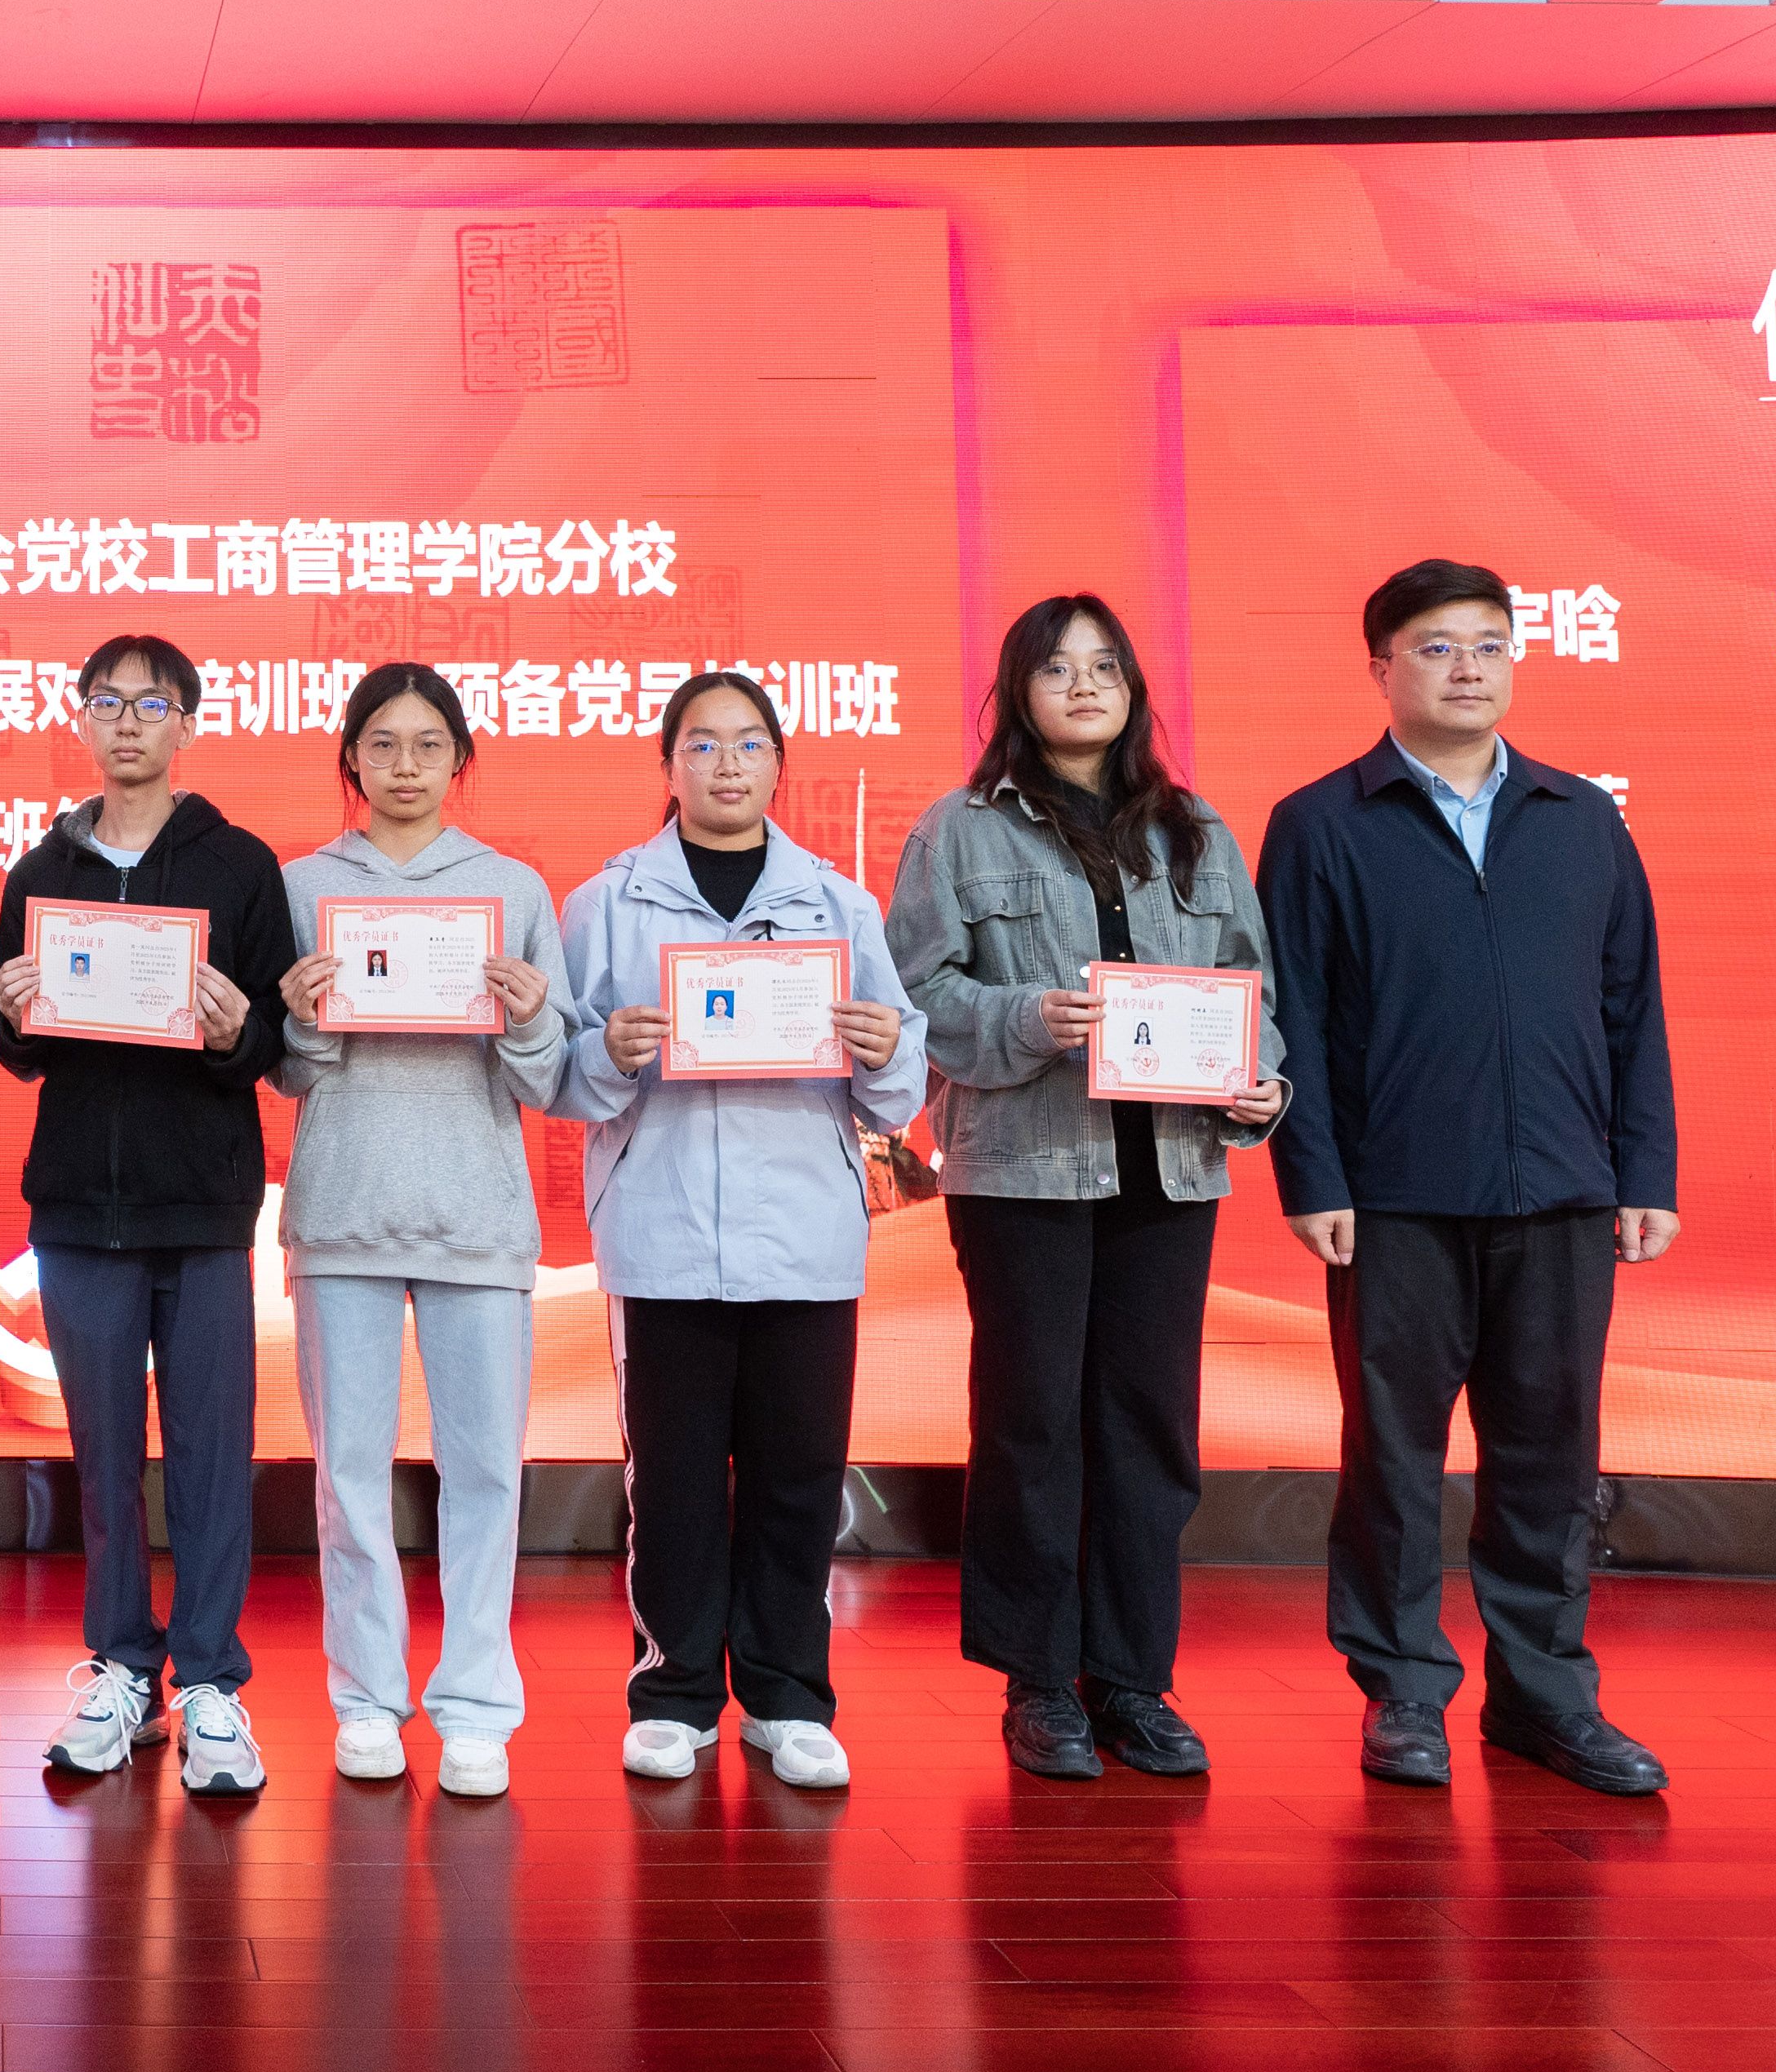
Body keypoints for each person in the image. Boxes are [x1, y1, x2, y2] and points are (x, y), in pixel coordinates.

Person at [1259, 558, 1679, 1799]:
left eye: (1490, 645)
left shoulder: (1581, 818)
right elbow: (1295, 1016)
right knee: (1393, 1459)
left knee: (1550, 1455)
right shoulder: (1322, 823)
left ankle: (1546, 1697)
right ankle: (1402, 1693)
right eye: (1437, 648)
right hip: (1394, 1200)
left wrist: (1644, 1171)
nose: (1468, 669)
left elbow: (1631, 1009)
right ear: (1381, 667)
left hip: (1563, 1193)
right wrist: (1312, 1176)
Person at [886, 597, 1287, 1786]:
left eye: (1105, 665)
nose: (1084, 685)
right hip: (1024, 1172)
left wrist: (1262, 1085)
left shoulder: (1197, 832)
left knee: (1149, 1425)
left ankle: (1131, 1680)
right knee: (1033, 1424)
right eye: (1057, 668)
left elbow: (1253, 990)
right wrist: (1023, 1016)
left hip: (1171, 1169)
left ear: (1133, 688)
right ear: (1017, 690)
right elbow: (912, 998)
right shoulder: (958, 832)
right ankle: (1038, 1682)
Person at [553, 672, 923, 1789]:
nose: (726, 764)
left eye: (749, 743)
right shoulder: (605, 903)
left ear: (778, 765)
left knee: (798, 1476)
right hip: (661, 1234)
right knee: (669, 1481)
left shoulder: (838, 906)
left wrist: (881, 1048)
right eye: (702, 744)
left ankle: (788, 1696)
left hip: (805, 1235)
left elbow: (897, 1093)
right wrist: (607, 1051)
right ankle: (673, 1694)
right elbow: (558, 1075)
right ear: (668, 766)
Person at [0, 634, 299, 1795]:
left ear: (188, 724)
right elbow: (23, 1053)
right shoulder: (39, 871)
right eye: (108, 702)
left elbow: (275, 1044)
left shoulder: (242, 867)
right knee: (104, 1459)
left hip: (205, 1205)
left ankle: (212, 1679)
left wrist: (234, 1031)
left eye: (152, 704)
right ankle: (123, 1667)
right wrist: (14, 1016)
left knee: (214, 1458)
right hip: (78, 1208)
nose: (128, 722)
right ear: (81, 717)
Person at [274, 663, 571, 1799]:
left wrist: (531, 1019)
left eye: (429, 745)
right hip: (343, 1211)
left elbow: (548, 1079)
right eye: (383, 745)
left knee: (486, 1472)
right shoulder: (302, 887)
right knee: (348, 1476)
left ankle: (478, 1707)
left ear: (461, 760)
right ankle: (365, 1699)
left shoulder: (514, 889)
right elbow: (286, 1073)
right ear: (351, 759)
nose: (405, 766)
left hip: (479, 1216)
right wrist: (304, 1021)